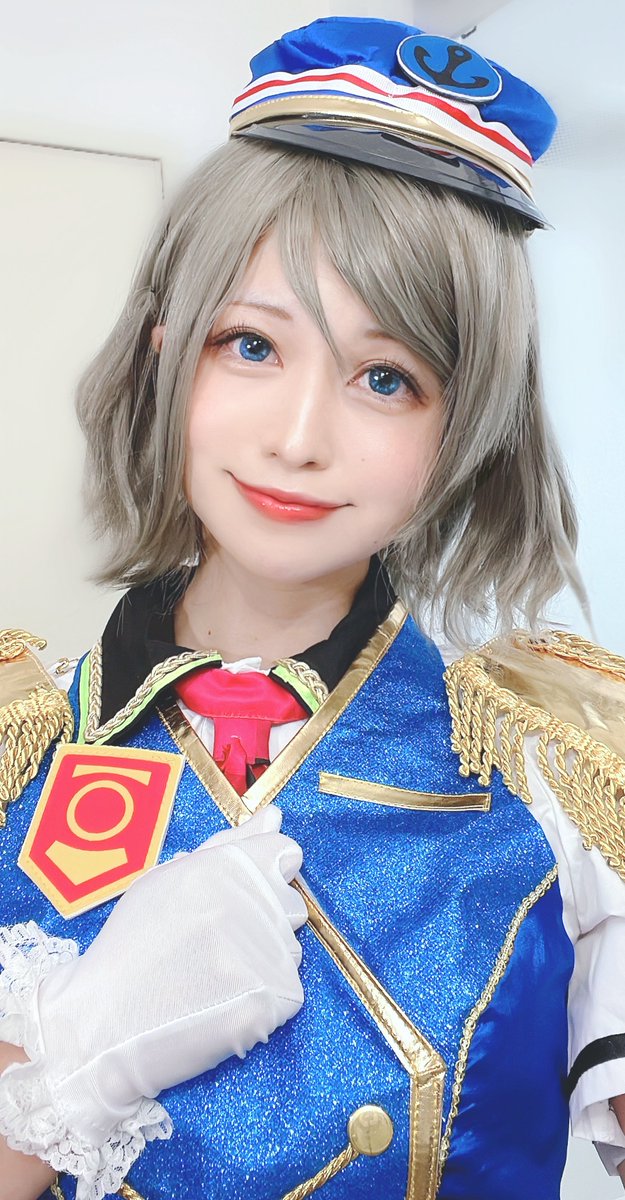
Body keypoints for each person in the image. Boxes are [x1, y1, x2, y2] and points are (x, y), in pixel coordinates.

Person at [0, 14, 624, 1200]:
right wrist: (78, 1058)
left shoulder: (570, 779)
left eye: (386, 378)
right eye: (250, 346)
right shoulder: (13, 748)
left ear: (464, 431)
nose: (298, 437)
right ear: (164, 356)